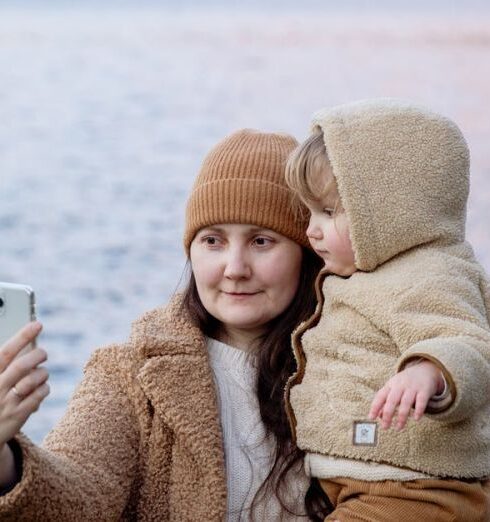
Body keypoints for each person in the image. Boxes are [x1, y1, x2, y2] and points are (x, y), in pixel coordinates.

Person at [0, 129, 327, 521]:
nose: (235, 269)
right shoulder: (131, 375)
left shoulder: (352, 362)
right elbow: (77, 495)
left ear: (305, 253)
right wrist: (4, 458)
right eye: (212, 241)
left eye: (261, 241)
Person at [284, 99, 490, 521]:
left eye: (327, 212)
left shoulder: (430, 272)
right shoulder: (368, 273)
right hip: (371, 483)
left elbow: (468, 342)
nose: (311, 229)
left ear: (390, 211)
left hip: (419, 490)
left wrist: (428, 371)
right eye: (309, 212)